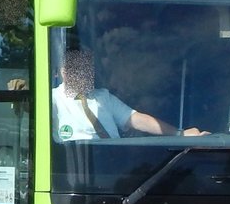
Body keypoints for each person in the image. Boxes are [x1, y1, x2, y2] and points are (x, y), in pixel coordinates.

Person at [53, 49, 203, 140]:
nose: (83, 73)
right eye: (76, 68)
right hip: (78, 171)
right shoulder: (51, 100)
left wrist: (179, 134)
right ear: (63, 71)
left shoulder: (103, 97)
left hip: (115, 164)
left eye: (86, 68)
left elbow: (136, 119)